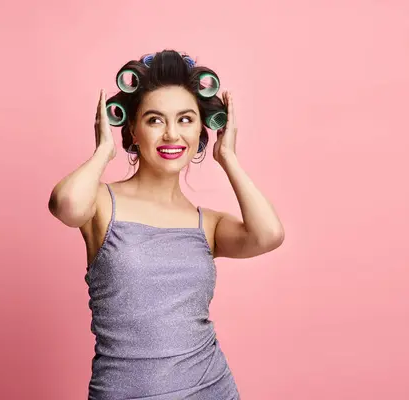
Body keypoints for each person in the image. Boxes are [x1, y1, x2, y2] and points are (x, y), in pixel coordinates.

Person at [49, 50, 284, 399]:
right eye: (155, 120)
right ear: (133, 129)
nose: (172, 134)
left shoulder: (208, 224)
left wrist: (228, 158)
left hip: (211, 389)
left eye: (186, 119)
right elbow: (65, 205)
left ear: (202, 129)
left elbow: (269, 235)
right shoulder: (99, 202)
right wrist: (103, 151)